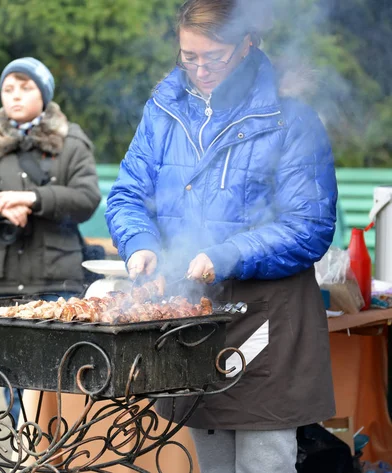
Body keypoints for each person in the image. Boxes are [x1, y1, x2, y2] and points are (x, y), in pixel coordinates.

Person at [105, 1, 338, 472]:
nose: (200, 69)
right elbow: (128, 194)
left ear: (247, 43)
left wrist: (225, 253)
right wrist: (141, 245)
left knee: (263, 465)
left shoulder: (289, 118)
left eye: (214, 56)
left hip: (266, 320)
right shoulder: (163, 110)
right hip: (194, 316)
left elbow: (309, 226)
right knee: (211, 465)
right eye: (189, 57)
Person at [0, 57, 101, 423]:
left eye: (26, 87)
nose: (15, 96)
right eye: (8, 88)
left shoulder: (71, 143)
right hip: (0, 286)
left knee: (59, 381)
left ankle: (53, 456)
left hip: (55, 283)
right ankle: (26, 456)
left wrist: (34, 199)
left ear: (44, 94)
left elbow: (87, 200)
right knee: (12, 381)